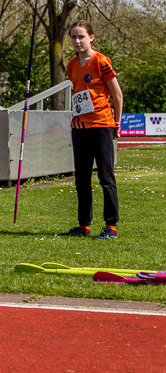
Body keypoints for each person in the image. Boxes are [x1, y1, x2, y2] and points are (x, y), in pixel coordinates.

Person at [61, 20, 123, 240]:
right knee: (82, 178)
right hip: (79, 127)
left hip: (102, 125)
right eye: (73, 37)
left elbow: (117, 94)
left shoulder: (101, 61)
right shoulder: (71, 65)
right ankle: (83, 226)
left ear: (91, 37)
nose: (77, 41)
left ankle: (111, 227)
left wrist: (117, 122)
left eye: (81, 37)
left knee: (106, 177)